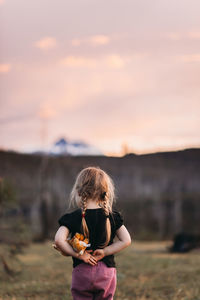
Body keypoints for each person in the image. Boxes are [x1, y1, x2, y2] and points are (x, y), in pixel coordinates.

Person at [54, 166, 131, 300]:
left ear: (78, 192)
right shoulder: (112, 216)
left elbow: (59, 240)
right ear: (105, 193)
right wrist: (105, 252)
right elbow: (126, 240)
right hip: (106, 271)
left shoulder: (72, 217)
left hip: (81, 272)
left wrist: (80, 254)